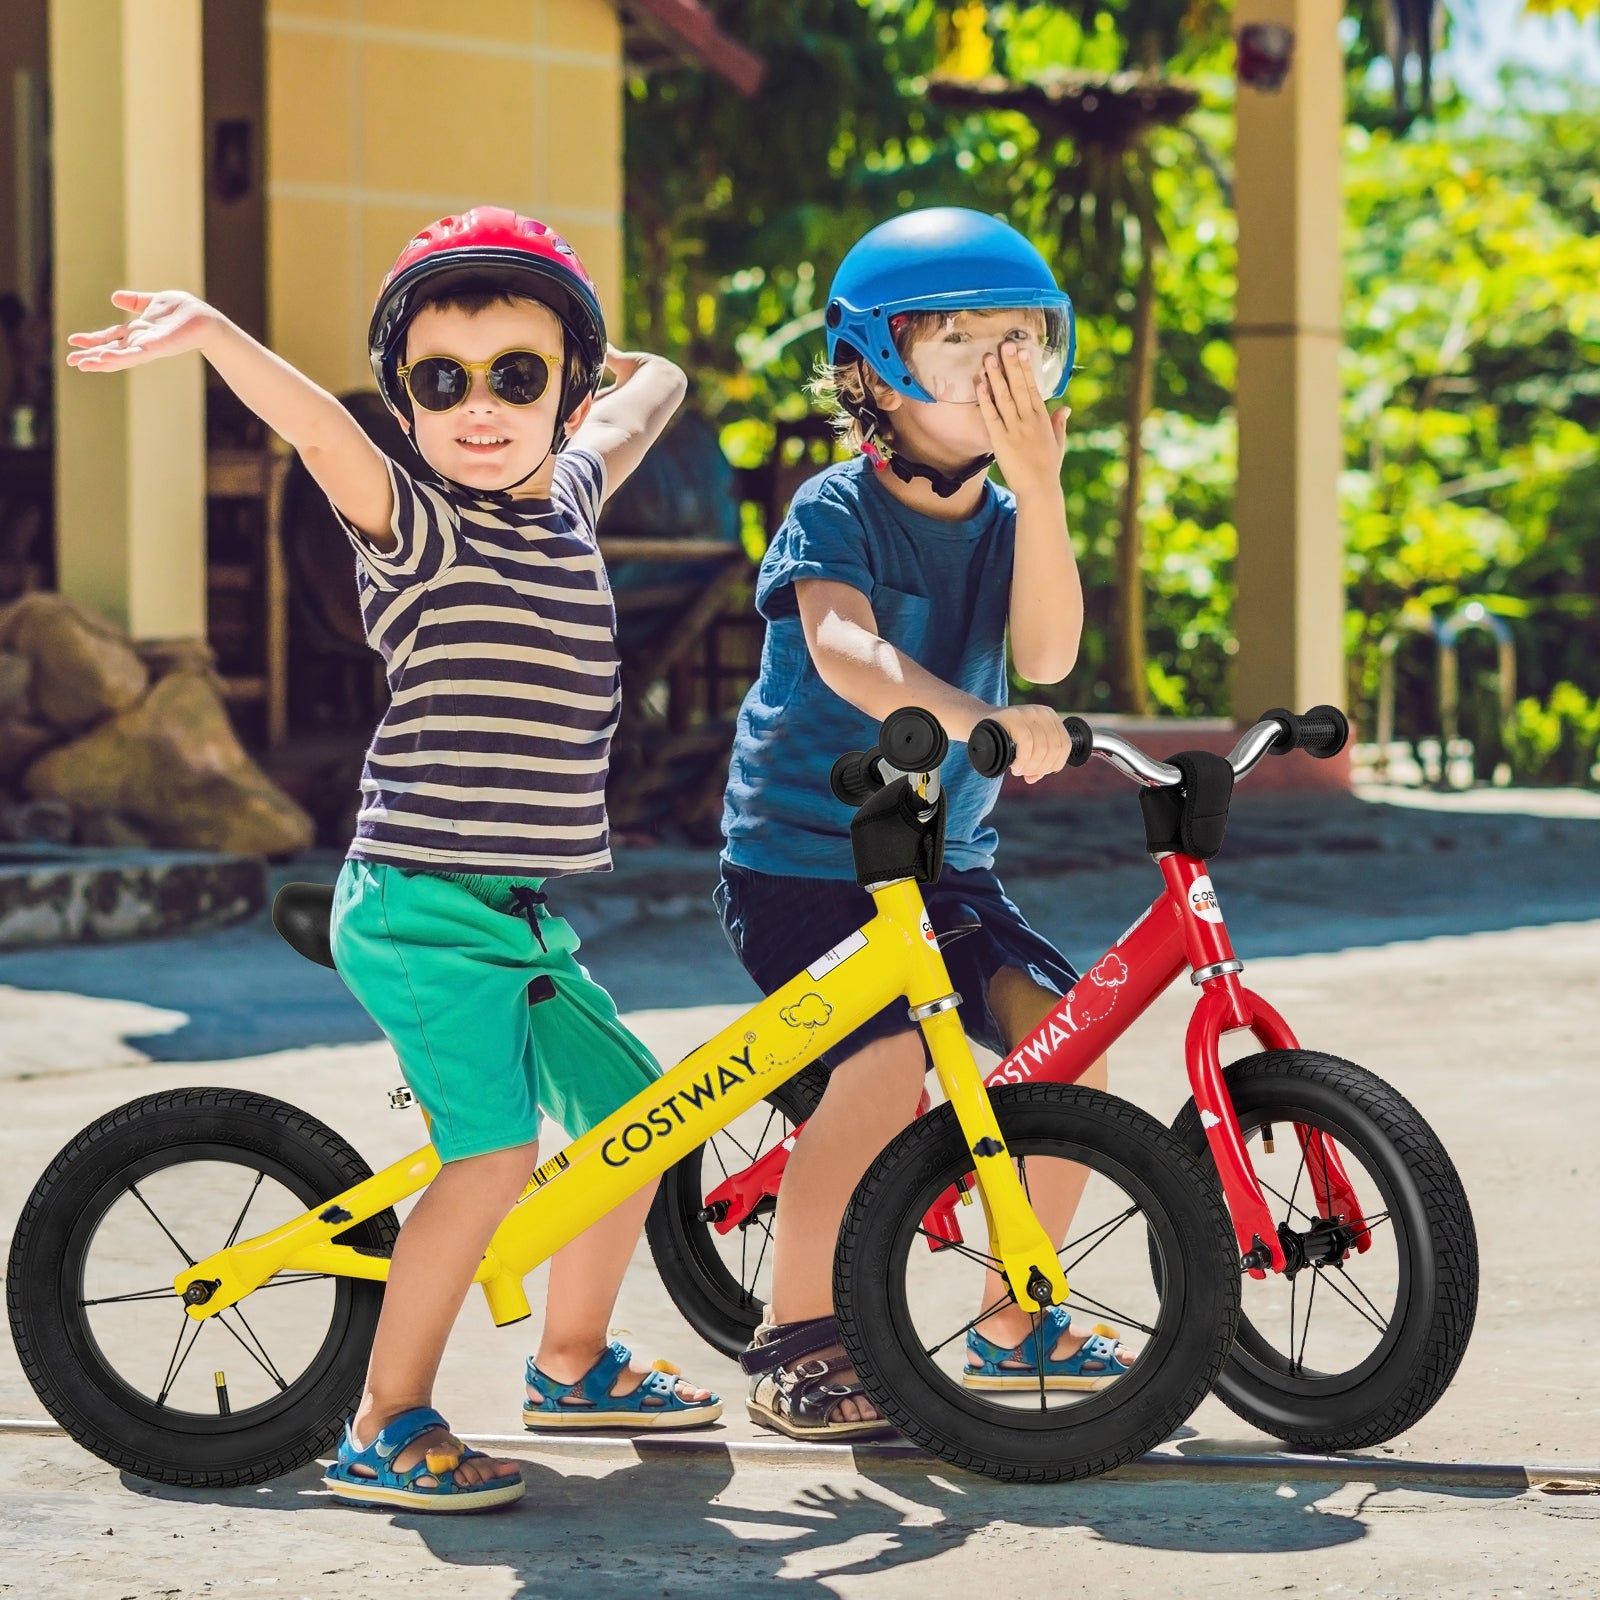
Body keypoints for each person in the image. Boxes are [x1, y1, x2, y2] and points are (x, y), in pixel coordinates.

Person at [67, 207, 719, 1511]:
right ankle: (387, 1418)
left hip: (512, 915)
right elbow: (317, 427)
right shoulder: (416, 527)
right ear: (406, 408)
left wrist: (579, 322)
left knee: (646, 1123)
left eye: (518, 374)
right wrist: (213, 335)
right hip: (420, 908)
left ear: (564, 387)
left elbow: (656, 391)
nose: (480, 407)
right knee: (493, 1155)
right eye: (441, 382)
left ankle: (573, 1362)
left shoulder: (572, 497)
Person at [716, 207, 1136, 1439]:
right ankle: (799, 1342)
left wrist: (1042, 484)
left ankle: (1019, 1312)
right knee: (884, 1064)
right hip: (802, 860)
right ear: (876, 371)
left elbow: (1048, 651)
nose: (1003, 375)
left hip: (945, 863)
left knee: (1071, 1042)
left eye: (1027, 344)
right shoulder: (833, 510)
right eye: (964, 346)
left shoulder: (1008, 521)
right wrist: (962, 714)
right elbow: (845, 650)